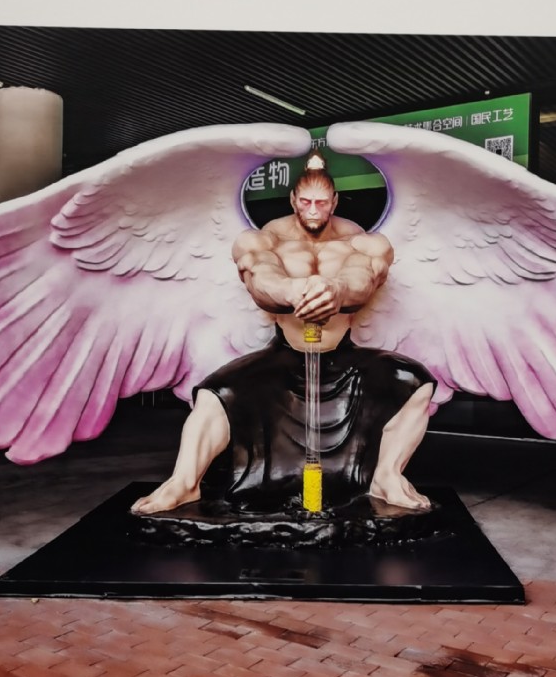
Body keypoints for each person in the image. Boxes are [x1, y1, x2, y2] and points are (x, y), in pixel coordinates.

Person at [131, 155, 435, 514]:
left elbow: (364, 278)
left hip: (344, 360)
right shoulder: (264, 240)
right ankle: (184, 483)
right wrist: (289, 292)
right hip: (283, 360)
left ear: (335, 202)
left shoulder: (364, 243)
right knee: (214, 396)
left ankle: (386, 475)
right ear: (293, 200)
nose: (313, 210)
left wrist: (337, 291)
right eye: (306, 202)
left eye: (321, 203)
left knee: (416, 383)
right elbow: (259, 277)